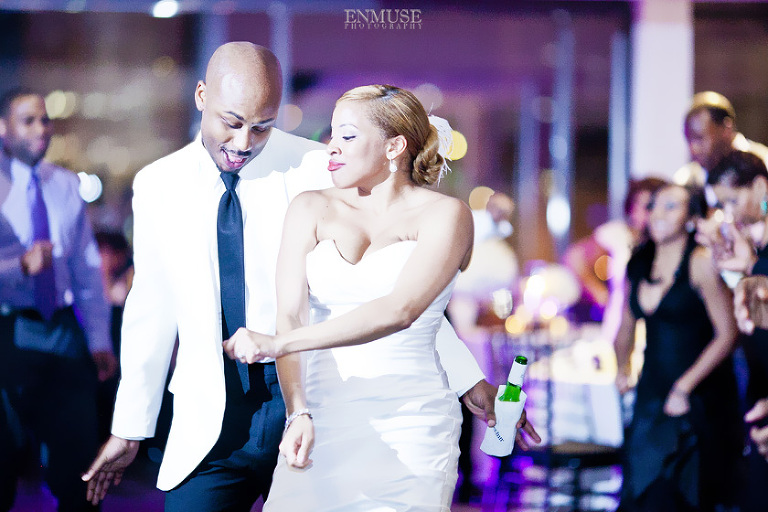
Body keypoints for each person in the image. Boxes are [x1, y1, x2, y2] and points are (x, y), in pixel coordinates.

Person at [83, 43, 533, 511]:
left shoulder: (322, 166)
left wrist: (467, 380)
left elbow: (398, 295)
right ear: (201, 96)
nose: (244, 142)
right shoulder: (159, 184)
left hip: (318, 395)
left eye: (262, 126)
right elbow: (151, 308)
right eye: (231, 123)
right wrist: (128, 427)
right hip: (213, 411)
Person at [221, 84, 535, 511]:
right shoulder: (309, 207)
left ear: (394, 147)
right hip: (323, 413)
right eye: (332, 133)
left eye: (348, 135)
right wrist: (298, 412)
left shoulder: (446, 215)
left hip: (412, 422)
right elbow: (290, 314)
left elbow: (403, 310)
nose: (332, 146)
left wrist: (277, 345)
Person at [0, 88, 116, 511]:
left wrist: (99, 339)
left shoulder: (66, 184)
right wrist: (19, 265)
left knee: (79, 459)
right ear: (3, 128)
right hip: (9, 330)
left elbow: (87, 269)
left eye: (45, 119)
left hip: (63, 328)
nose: (41, 129)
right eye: (28, 120)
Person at [614, 182, 742, 511]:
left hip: (697, 395)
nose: (658, 213)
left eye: (671, 206)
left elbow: (728, 334)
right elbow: (625, 328)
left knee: (681, 495)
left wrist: (684, 387)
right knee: (640, 491)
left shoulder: (700, 262)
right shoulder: (639, 262)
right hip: (651, 393)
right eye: (654, 205)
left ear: (691, 218)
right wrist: (622, 368)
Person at [697, 150, 768, 511]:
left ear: (760, 187)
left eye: (733, 200)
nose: (730, 213)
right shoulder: (758, 248)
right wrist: (741, 269)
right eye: (722, 205)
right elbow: (757, 319)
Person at [675, 91, 768, 187]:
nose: (693, 148)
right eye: (689, 140)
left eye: (700, 138)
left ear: (726, 129)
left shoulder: (764, 163)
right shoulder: (688, 179)